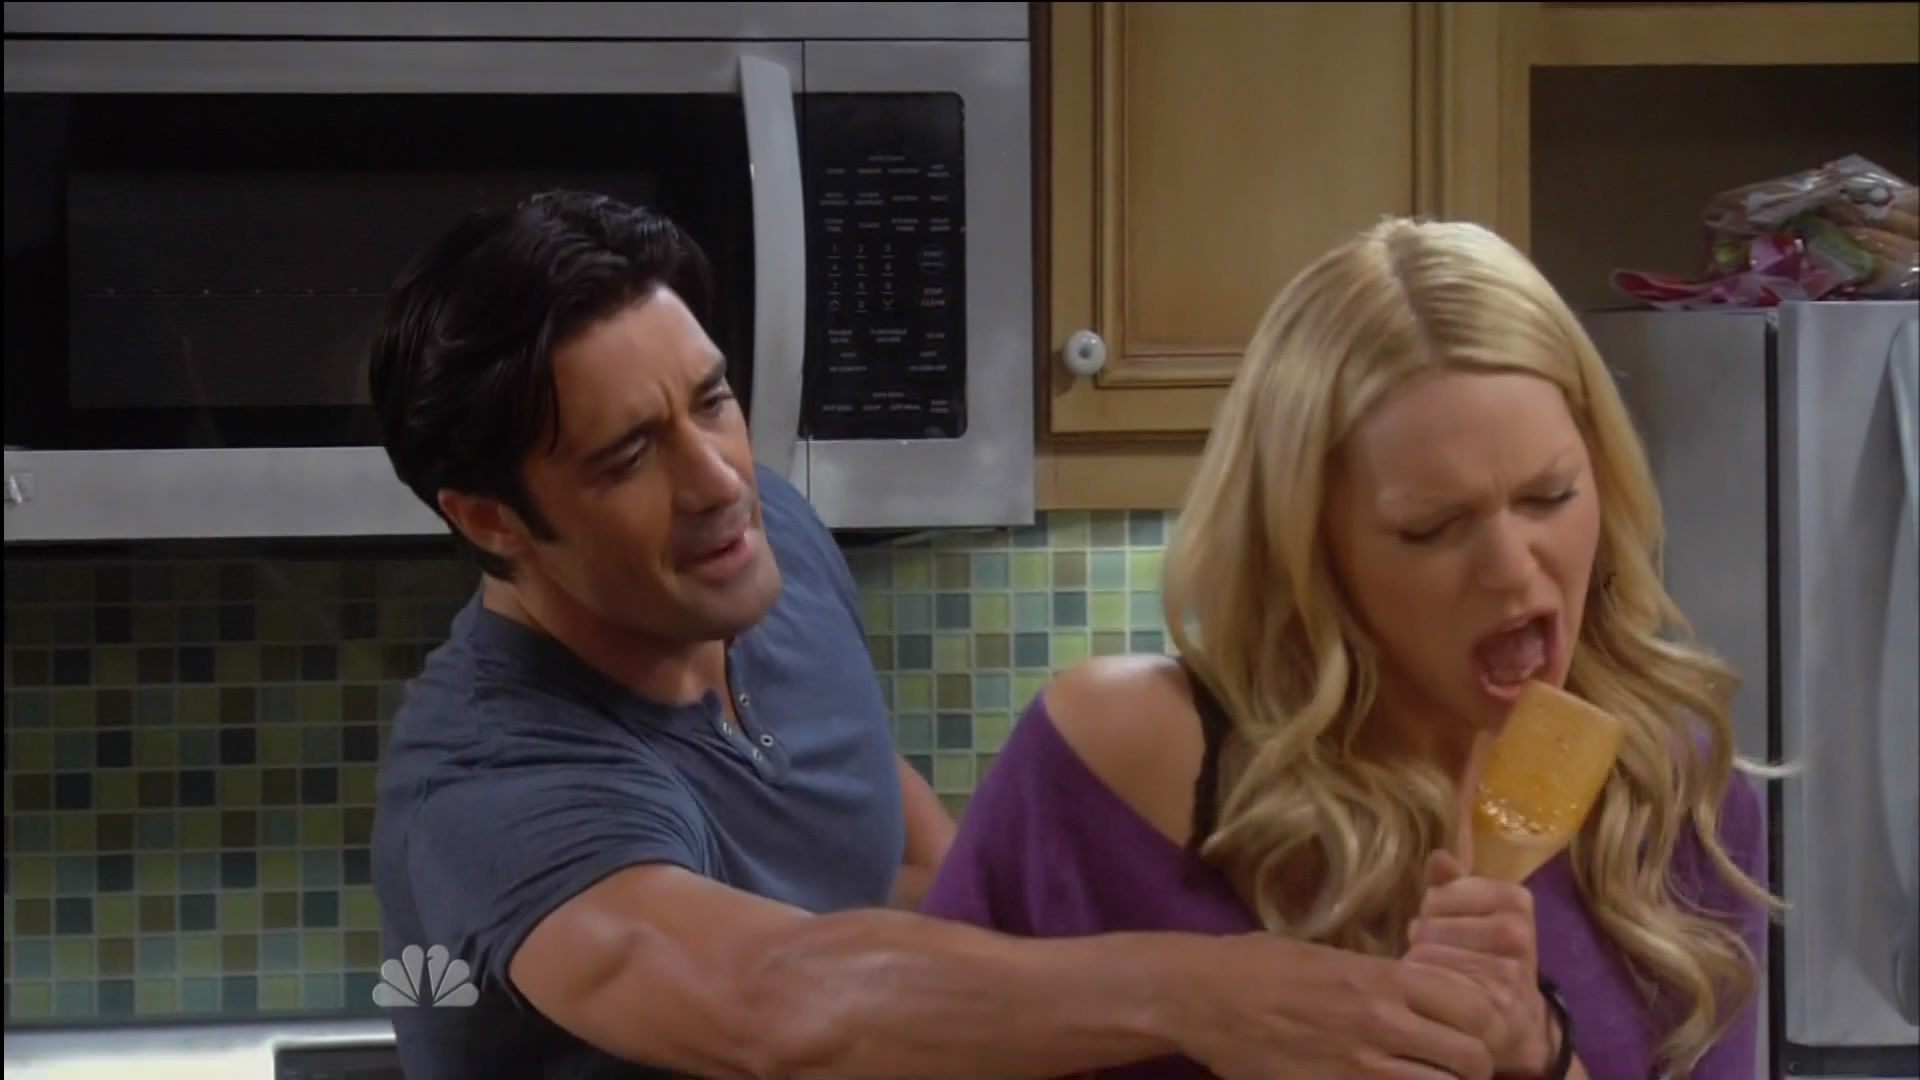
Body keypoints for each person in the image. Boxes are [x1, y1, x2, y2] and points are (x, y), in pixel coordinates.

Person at [365, 191, 1512, 1080]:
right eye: (628, 455)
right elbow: (769, 1001)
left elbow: (919, 867)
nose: (718, 479)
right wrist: (1198, 990)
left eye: (712, 402)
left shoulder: (758, 554)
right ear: (490, 520)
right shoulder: (489, 787)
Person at [920, 217, 1779, 1080]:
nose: (1513, 568)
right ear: (1309, 551)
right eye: (1431, 527)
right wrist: (1184, 991)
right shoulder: (1135, 755)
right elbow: (883, 1026)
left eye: (1549, 495)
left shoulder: (1674, 794)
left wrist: (1541, 1057)